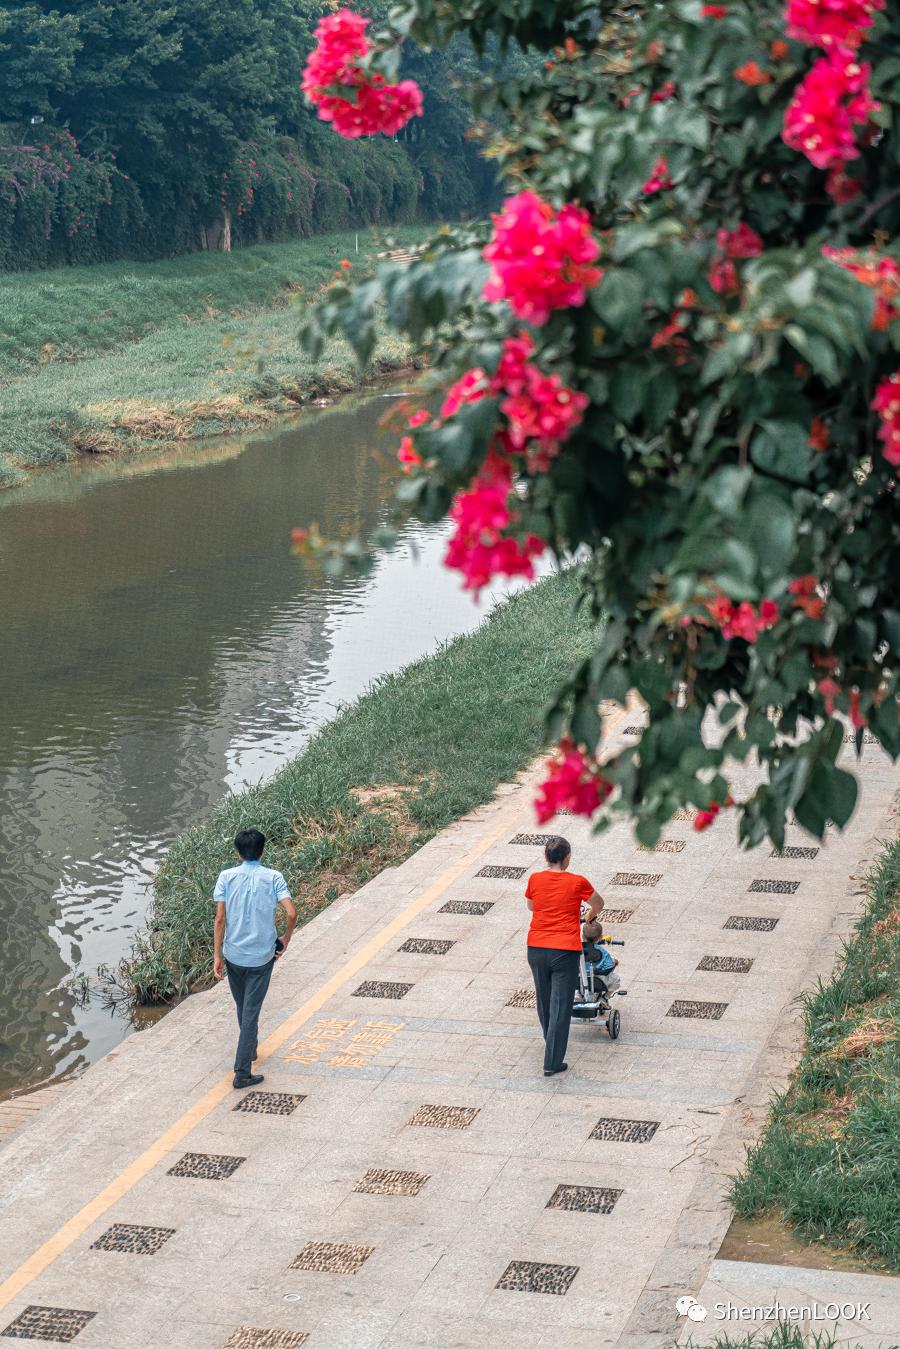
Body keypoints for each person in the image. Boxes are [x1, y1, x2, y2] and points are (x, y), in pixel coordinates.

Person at [213, 828, 296, 1089]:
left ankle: (249, 1049)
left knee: (243, 1006)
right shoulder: (273, 877)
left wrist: (216, 954)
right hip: (261, 957)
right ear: (262, 851)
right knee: (250, 1012)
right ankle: (242, 1072)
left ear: (238, 852)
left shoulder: (226, 876)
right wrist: (286, 939)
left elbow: (220, 919)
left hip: (233, 955)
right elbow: (291, 913)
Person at [524, 836, 603, 1077]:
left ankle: (551, 1042)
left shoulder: (535, 879)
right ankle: (552, 1061)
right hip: (564, 950)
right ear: (567, 857)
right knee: (560, 1005)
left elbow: (531, 906)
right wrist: (589, 916)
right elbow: (599, 903)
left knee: (544, 1000)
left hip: (536, 947)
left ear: (546, 857)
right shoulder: (577, 882)